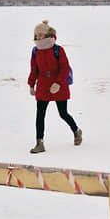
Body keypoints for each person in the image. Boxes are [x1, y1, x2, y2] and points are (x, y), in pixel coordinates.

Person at [27, 20, 82, 153]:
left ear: (48, 34)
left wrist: (57, 83)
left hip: (59, 84)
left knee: (63, 113)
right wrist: (31, 84)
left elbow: (64, 69)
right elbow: (34, 69)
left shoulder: (58, 50)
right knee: (40, 114)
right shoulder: (35, 51)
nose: (38, 37)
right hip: (43, 85)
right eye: (36, 34)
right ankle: (39, 143)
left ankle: (76, 130)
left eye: (41, 34)